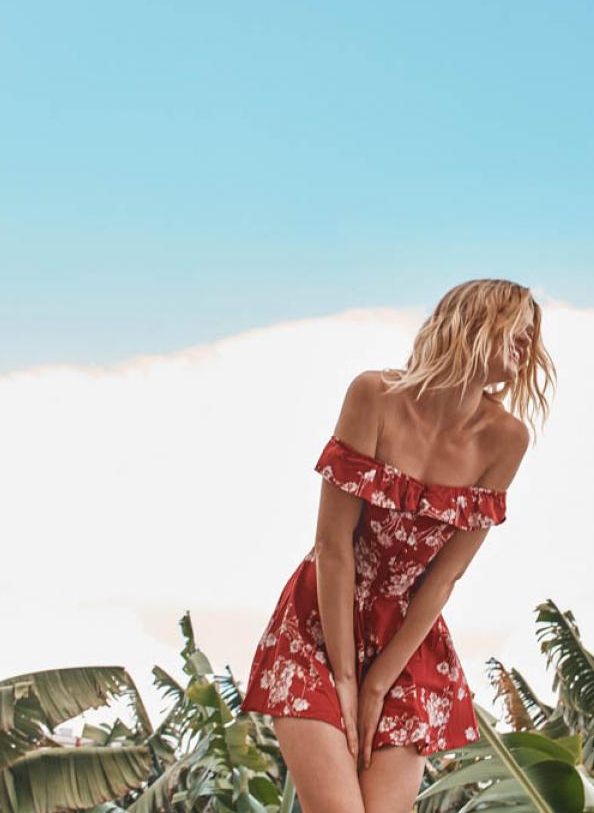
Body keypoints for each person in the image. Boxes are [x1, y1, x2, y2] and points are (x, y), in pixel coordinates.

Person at [239, 278, 556, 813]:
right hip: (320, 622)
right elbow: (333, 546)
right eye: (517, 329)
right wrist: (345, 677)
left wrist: (376, 684)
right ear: (473, 321)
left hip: (407, 641)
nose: (528, 344)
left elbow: (445, 577)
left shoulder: (507, 440)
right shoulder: (374, 395)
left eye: (532, 336)